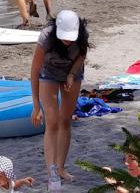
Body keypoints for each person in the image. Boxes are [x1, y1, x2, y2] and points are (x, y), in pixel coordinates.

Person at [30, 10, 89, 191]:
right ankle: (52, 172)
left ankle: (61, 167)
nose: (67, 41)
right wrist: (35, 106)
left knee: (65, 120)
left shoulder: (82, 35)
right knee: (53, 122)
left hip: (73, 74)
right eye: (64, 37)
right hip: (48, 74)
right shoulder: (46, 38)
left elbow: (81, 57)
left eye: (70, 37)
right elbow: (34, 71)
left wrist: (71, 74)